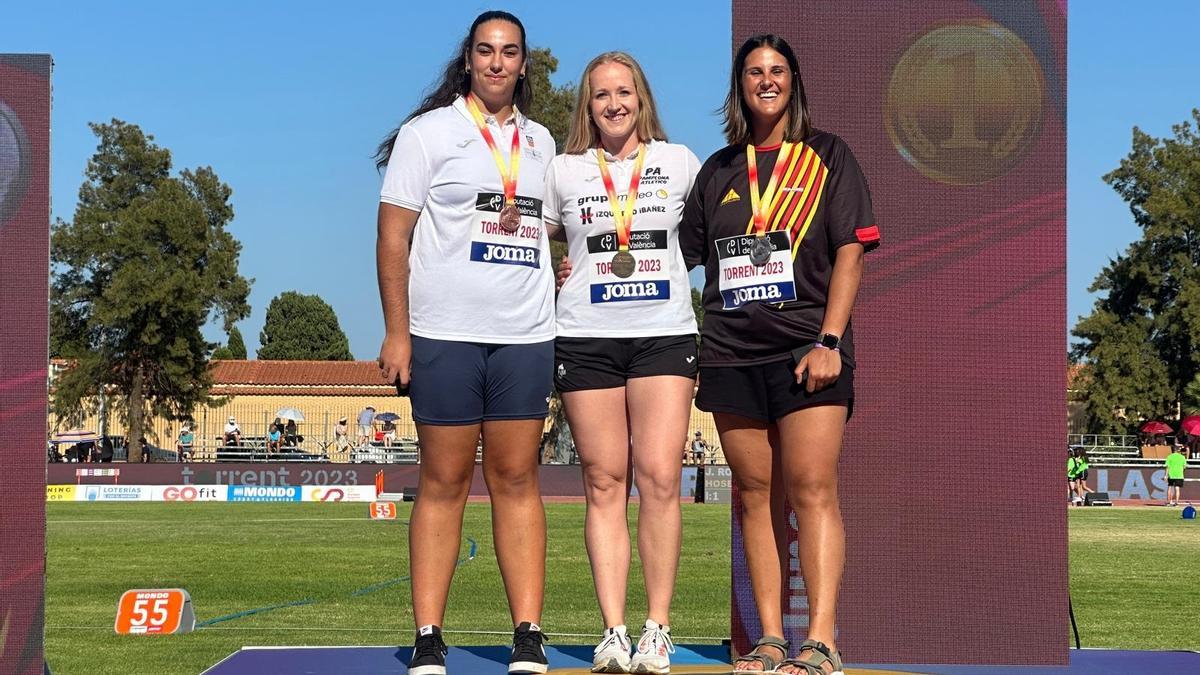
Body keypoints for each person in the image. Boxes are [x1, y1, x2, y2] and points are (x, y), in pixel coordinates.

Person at [678, 34, 880, 674]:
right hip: (732, 352)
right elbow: (675, 255)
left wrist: (829, 340)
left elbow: (850, 250)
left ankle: (821, 640)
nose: (766, 81)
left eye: (778, 71)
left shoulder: (829, 156)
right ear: (739, 86)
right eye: (754, 72)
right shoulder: (718, 169)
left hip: (806, 349)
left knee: (813, 488)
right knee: (753, 495)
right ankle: (769, 638)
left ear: (794, 81)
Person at [374, 10, 555, 675]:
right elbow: (392, 237)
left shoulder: (542, 143)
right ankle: (428, 635)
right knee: (443, 481)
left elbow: (549, 228)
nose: (498, 63)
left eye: (510, 53)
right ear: (469, 59)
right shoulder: (427, 135)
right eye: (486, 51)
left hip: (525, 336)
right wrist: (398, 331)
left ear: (523, 64)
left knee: (517, 479)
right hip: (444, 335)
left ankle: (528, 634)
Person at [543, 51, 698, 674]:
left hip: (663, 334)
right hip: (586, 337)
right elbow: (530, 239)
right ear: (588, 103)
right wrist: (559, 268)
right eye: (601, 94)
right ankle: (612, 631)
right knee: (603, 482)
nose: (613, 103)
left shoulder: (679, 162)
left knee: (659, 477)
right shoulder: (563, 171)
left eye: (624, 92)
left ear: (643, 98)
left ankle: (657, 628)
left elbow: (718, 229)